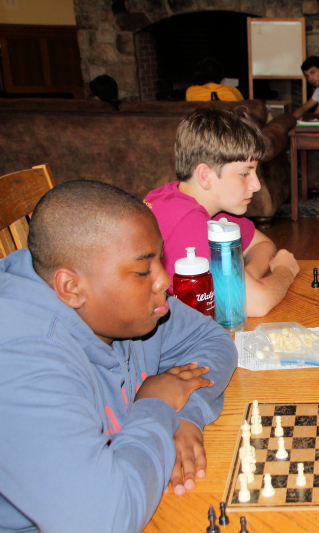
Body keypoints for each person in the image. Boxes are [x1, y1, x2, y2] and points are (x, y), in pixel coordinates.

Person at [0, 180, 238, 533]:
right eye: (143, 271)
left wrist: (185, 414)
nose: (164, 282)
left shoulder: (122, 309)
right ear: (71, 287)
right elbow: (99, 521)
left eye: (161, 260)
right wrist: (156, 405)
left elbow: (212, 338)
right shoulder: (22, 361)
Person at [145, 107, 299, 317]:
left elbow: (263, 244)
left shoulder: (205, 203)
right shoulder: (187, 221)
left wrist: (242, 278)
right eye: (245, 173)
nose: (256, 185)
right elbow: (256, 304)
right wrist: (285, 271)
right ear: (205, 175)